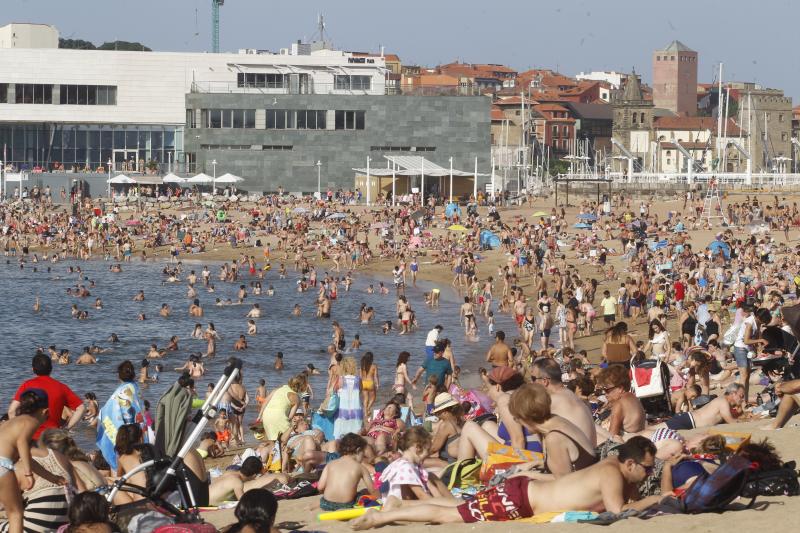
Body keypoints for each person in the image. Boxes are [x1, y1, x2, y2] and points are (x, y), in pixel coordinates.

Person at [351, 436, 664, 528]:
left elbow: (627, 501)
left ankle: (398, 505)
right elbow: (619, 510)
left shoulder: (617, 468)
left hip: (524, 492)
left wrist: (654, 489)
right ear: (630, 463)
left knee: (462, 506)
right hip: (520, 501)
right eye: (647, 470)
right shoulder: (611, 473)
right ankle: (384, 516)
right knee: (451, 516)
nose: (649, 474)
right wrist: (660, 496)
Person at [507, 384, 597, 477]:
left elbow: (563, 482)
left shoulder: (554, 438)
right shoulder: (555, 420)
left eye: (517, 418)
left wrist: (527, 475)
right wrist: (533, 464)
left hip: (581, 487)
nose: (518, 422)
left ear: (526, 417)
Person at [0, 389, 52, 533]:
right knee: (16, 514)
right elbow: (23, 444)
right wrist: (28, 474)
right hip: (2, 464)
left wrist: (52, 477)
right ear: (45, 411)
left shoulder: (11, 423)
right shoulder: (31, 421)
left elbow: (28, 458)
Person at [8, 354, 85, 440]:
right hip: (53, 438)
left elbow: (12, 411)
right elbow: (81, 408)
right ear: (51, 369)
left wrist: (18, 431)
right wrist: (67, 429)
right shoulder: (61, 387)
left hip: (31, 437)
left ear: (33, 369)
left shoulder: (27, 385)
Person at [530, 358, 596, 443]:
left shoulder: (552, 401)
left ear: (545, 381)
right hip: (588, 451)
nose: (531, 383)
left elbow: (530, 428)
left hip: (578, 454)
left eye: (533, 378)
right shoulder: (570, 395)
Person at [318, 433, 377, 511]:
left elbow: (320, 487)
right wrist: (380, 498)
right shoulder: (360, 467)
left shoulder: (330, 464)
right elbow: (372, 490)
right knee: (364, 492)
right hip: (346, 505)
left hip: (325, 504)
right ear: (358, 450)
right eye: (363, 453)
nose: (363, 457)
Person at [657, 383, 745, 430]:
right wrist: (750, 420)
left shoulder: (723, 402)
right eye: (741, 396)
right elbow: (731, 422)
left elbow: (729, 419)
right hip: (688, 420)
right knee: (652, 430)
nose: (742, 399)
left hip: (688, 420)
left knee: (653, 430)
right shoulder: (723, 402)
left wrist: (741, 412)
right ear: (733, 394)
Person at [595, 365, 646, 442]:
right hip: (639, 439)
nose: (604, 393)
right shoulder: (632, 397)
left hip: (628, 444)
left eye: (607, 390)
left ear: (620, 388)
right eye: (602, 390)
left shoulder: (619, 404)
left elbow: (612, 437)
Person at [733, 305, 770, 403]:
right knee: (744, 376)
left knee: (747, 377)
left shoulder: (757, 322)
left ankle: (745, 401)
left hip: (748, 349)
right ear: (758, 317)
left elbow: (755, 337)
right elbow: (746, 340)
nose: (762, 323)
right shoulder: (750, 322)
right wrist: (761, 340)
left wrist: (759, 348)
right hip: (740, 348)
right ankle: (739, 402)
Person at [260, 375, 303, 441]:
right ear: (301, 387)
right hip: (279, 417)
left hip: (266, 416)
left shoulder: (278, 389)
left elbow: (265, 401)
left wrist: (260, 416)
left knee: (272, 440)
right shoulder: (296, 398)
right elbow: (290, 417)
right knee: (286, 440)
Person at [332, 357, 363, 439]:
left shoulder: (341, 379)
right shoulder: (358, 379)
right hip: (356, 410)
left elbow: (333, 392)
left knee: (340, 436)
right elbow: (360, 391)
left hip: (342, 411)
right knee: (356, 436)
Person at [360, 352, 379, 419]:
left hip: (364, 383)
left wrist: (360, 384)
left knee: (365, 398)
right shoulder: (374, 366)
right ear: (371, 358)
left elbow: (360, 376)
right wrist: (377, 384)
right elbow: (376, 376)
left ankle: (365, 413)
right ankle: (368, 408)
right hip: (370, 383)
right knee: (373, 398)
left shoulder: (362, 366)